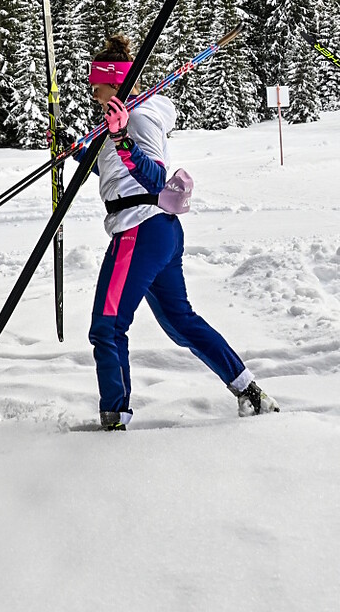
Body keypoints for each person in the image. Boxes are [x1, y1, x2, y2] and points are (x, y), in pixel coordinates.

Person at [85, 33, 277, 430]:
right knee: (179, 321)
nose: (93, 93)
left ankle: (114, 419)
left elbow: (155, 176)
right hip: (158, 232)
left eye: (97, 86)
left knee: (107, 326)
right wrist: (86, 155)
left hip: (140, 230)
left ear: (114, 82)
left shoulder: (135, 118)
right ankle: (249, 391)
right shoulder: (124, 117)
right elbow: (116, 176)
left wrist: (120, 138)